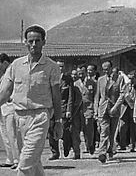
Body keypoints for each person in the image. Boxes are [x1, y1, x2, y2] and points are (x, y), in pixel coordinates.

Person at [0, 24, 63, 175]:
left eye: (37, 40)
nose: (34, 44)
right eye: (30, 41)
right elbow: (6, 91)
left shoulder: (51, 67)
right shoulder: (16, 65)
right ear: (25, 42)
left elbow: (56, 96)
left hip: (40, 116)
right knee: (33, 162)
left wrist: (59, 122)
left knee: (26, 161)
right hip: (19, 117)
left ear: (43, 42)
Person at [94, 62, 124, 163]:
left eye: (107, 69)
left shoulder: (119, 79)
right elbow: (97, 96)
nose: (105, 71)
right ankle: (102, 153)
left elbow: (122, 95)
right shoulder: (100, 80)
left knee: (112, 132)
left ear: (111, 68)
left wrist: (116, 107)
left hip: (114, 109)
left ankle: (110, 150)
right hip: (103, 109)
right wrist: (96, 110)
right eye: (103, 69)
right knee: (104, 131)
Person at [48, 61, 73, 160]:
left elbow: (70, 96)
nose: (60, 68)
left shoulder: (68, 80)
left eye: (62, 66)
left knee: (64, 129)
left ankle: (67, 145)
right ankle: (55, 152)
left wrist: (69, 109)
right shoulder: (51, 78)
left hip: (63, 107)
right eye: (58, 66)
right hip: (51, 108)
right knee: (51, 130)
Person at [64, 65, 83, 159]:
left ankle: (77, 152)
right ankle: (67, 149)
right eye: (73, 75)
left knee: (75, 133)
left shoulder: (77, 88)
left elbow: (78, 101)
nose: (74, 76)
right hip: (66, 113)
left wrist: (73, 112)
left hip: (75, 114)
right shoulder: (67, 85)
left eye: (76, 75)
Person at [81, 64, 97, 155]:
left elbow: (95, 96)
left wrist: (95, 109)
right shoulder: (79, 81)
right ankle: (87, 144)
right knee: (83, 128)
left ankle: (90, 144)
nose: (89, 72)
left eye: (91, 70)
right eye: (87, 70)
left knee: (89, 127)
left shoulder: (94, 82)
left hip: (89, 108)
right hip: (80, 108)